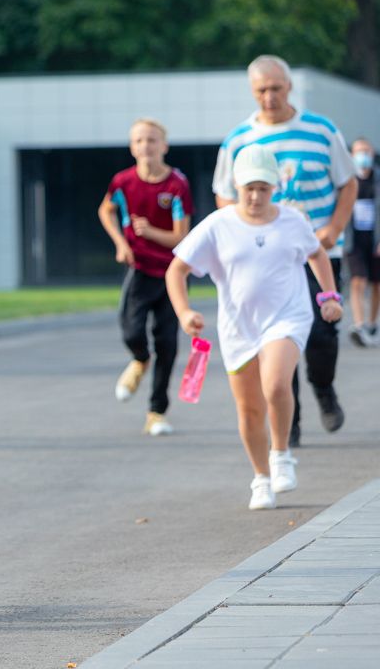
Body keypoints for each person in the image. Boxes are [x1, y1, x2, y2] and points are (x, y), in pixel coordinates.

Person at [168, 145, 343, 510]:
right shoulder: (219, 225)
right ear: (236, 185)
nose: (255, 195)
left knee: (276, 383)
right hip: (238, 327)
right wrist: (185, 312)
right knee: (249, 409)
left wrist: (329, 296)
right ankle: (261, 477)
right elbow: (177, 270)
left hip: (287, 317)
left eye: (263, 188)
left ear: (274, 186)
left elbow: (317, 253)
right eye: (249, 187)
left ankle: (281, 453)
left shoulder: (292, 221)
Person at [212, 55, 356, 446]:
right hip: (269, 258)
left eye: (276, 88)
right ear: (252, 91)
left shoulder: (322, 131)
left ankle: (324, 388)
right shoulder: (239, 139)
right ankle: (288, 423)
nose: (269, 97)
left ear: (289, 87)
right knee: (277, 338)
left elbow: (348, 183)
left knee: (323, 334)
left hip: (319, 251)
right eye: (261, 90)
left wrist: (333, 228)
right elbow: (225, 197)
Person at [97, 118, 193, 435]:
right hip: (138, 270)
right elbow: (105, 210)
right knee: (131, 332)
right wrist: (121, 243)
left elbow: (182, 237)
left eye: (152, 140)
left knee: (166, 343)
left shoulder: (176, 185)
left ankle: (156, 413)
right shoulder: (122, 182)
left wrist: (151, 231)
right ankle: (139, 360)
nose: (146, 146)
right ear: (131, 147)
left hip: (171, 274)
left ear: (163, 146)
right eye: (139, 140)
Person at [346, 138, 380, 347]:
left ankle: (371, 323)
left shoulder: (377, 179)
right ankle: (359, 326)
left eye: (366, 150)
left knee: (376, 284)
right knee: (357, 280)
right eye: (359, 151)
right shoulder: (348, 180)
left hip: (374, 238)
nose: (363, 155)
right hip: (354, 239)